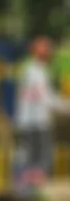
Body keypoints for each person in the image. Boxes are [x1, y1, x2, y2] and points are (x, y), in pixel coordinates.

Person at [15, 37, 70, 188]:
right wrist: (66, 106)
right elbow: (46, 99)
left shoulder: (31, 70)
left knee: (32, 156)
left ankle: (27, 186)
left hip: (28, 120)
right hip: (37, 121)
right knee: (42, 157)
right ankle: (30, 188)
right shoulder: (37, 72)